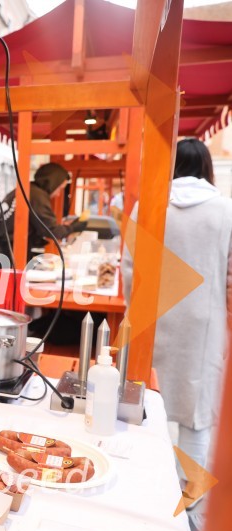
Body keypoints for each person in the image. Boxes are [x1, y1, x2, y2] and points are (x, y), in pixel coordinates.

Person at [122, 138, 232, 481]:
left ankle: (146, 482)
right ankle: (188, 494)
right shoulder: (225, 209)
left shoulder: (149, 206)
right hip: (204, 323)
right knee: (195, 414)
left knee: (144, 402)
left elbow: (130, 268)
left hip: (154, 317)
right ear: (206, 168)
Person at [0, 162, 88, 277]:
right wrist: (73, 227)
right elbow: (52, 231)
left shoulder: (26, 189)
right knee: (12, 294)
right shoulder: (37, 196)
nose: (59, 194)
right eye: (60, 188)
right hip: (11, 255)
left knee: (2, 295)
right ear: (52, 182)